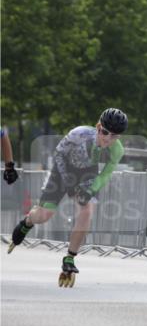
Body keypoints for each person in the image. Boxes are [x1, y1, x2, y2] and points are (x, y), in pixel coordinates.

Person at [7, 108, 128, 285]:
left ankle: (70, 258)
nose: (108, 139)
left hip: (87, 173)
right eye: (105, 132)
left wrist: (90, 189)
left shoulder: (117, 150)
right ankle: (27, 222)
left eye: (115, 136)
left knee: (87, 210)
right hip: (62, 170)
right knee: (44, 215)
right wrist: (69, 184)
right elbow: (58, 155)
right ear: (98, 127)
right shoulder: (78, 134)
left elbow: (105, 175)